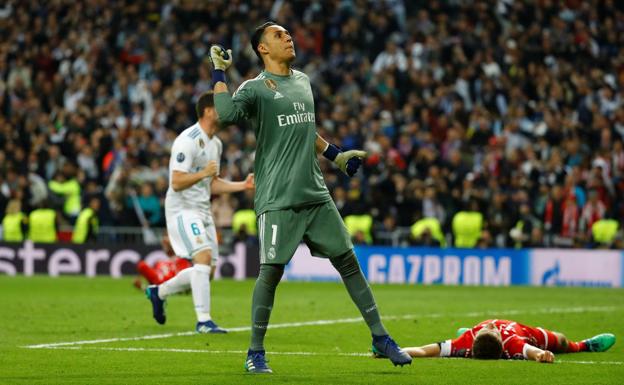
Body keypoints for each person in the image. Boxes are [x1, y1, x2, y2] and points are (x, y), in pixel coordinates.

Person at [211, 21, 412, 373]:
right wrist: (219, 72)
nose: (287, 38)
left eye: (288, 34)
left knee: (348, 261)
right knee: (271, 272)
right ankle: (255, 352)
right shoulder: (255, 88)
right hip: (278, 197)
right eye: (278, 36)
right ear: (262, 49)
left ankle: (380, 336)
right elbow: (226, 115)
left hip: (316, 194)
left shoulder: (302, 80)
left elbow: (306, 128)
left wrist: (335, 155)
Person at [146, 91, 255, 334]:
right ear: (208, 111)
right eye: (220, 107)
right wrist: (203, 173)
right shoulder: (187, 140)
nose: (225, 111)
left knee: (208, 272)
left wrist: (242, 186)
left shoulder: (216, 143)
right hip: (183, 208)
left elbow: (212, 183)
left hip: (203, 209)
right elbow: (176, 181)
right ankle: (204, 321)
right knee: (202, 259)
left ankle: (159, 292)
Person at [377, 319, 615, 363]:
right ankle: (585, 345)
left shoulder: (467, 340)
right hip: (528, 333)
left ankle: (583, 344)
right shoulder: (513, 342)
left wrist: (391, 350)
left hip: (467, 336)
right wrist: (542, 354)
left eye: (486, 330)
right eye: (490, 330)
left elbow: (423, 350)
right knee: (561, 342)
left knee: (455, 337)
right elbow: (532, 351)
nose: (489, 326)